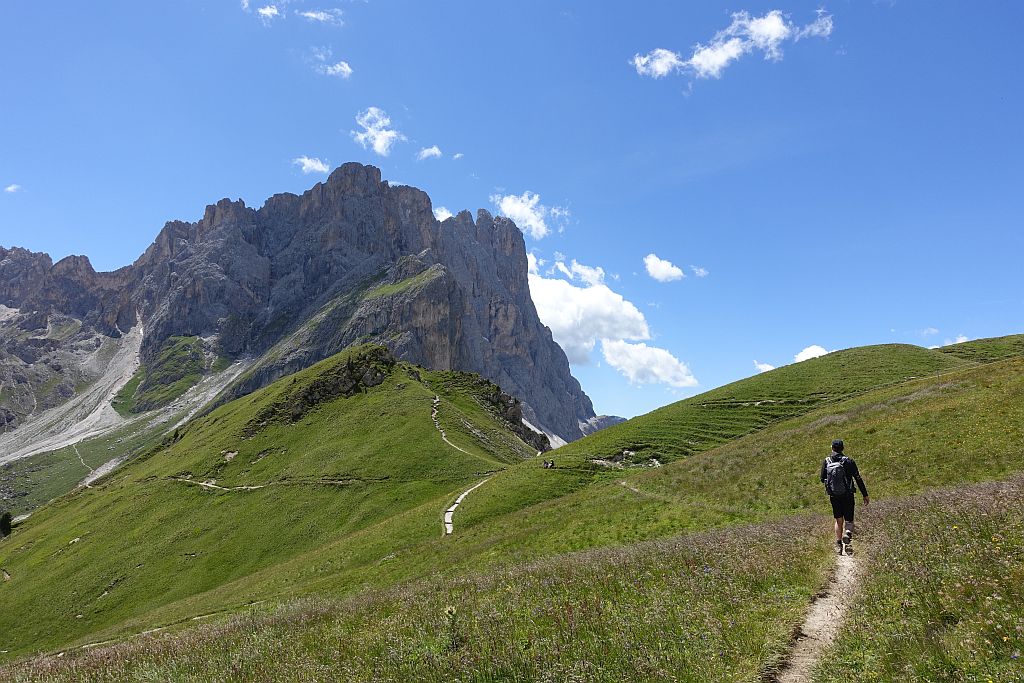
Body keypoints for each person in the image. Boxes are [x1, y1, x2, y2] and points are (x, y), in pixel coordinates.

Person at [820, 439, 869, 555]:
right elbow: (858, 478)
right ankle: (847, 535)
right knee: (849, 520)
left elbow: (822, 479)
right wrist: (865, 494)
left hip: (834, 496)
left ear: (832, 448)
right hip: (848, 495)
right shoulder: (849, 461)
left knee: (838, 520)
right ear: (843, 448)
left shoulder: (826, 461)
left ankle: (838, 545)